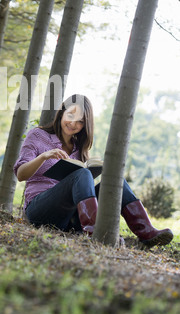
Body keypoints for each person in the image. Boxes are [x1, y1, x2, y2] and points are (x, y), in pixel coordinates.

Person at [14, 94, 173, 248]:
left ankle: (147, 233)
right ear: (62, 112)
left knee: (115, 183)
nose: (73, 123)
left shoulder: (79, 149)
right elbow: (21, 174)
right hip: (40, 210)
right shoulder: (38, 135)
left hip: (69, 218)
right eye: (70, 115)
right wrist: (43, 157)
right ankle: (96, 234)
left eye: (80, 121)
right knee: (82, 174)